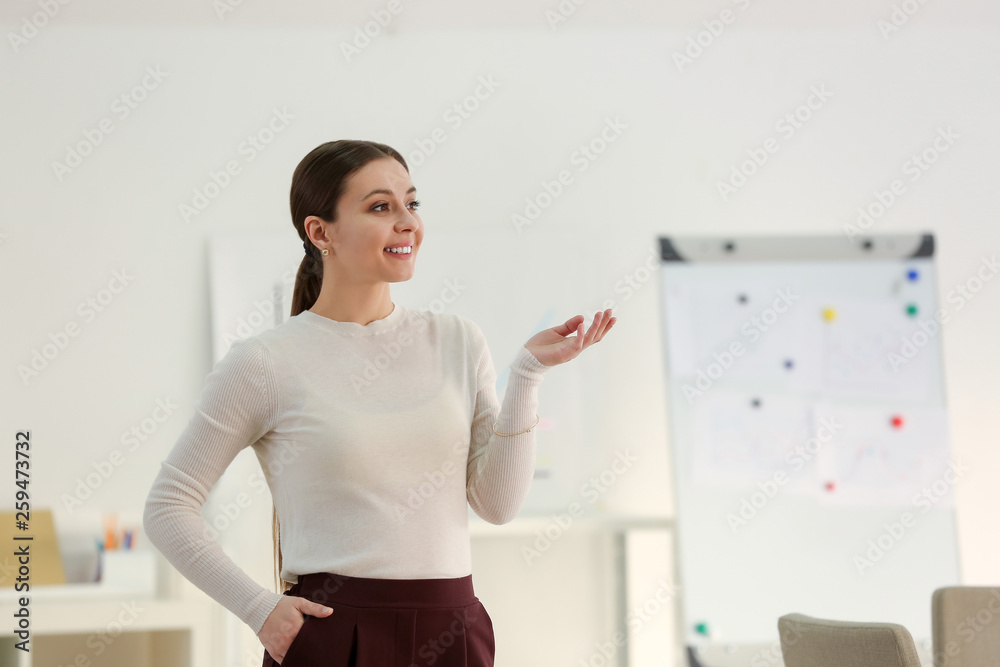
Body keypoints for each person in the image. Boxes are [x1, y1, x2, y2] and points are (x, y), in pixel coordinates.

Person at [142, 139, 616, 666]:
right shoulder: (265, 363)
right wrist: (259, 610)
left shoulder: (457, 340)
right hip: (331, 634)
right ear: (320, 232)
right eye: (379, 207)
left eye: (411, 203)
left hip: (453, 631)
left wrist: (527, 375)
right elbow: (168, 506)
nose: (407, 222)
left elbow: (496, 505)